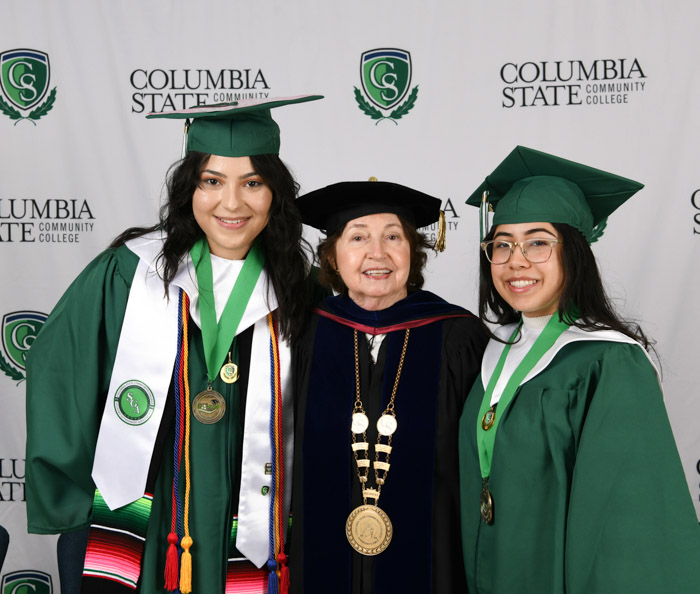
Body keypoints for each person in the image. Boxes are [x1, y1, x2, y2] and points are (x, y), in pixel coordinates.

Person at [25, 95, 325, 594]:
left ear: (276, 194)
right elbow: (62, 373)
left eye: (252, 183)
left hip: (254, 516)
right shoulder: (130, 273)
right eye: (212, 181)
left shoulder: (302, 291)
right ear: (190, 188)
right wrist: (72, 502)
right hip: (148, 515)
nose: (232, 203)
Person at [458, 145, 700, 593]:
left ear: (576, 252)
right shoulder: (487, 352)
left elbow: (626, 527)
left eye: (537, 242)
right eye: (503, 244)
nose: (516, 260)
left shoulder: (608, 363)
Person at [290, 180, 488, 594]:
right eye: (358, 236)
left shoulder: (458, 336)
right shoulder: (305, 332)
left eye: (393, 237)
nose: (376, 253)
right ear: (333, 255)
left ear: (412, 254)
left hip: (434, 563)